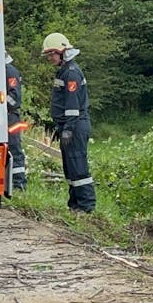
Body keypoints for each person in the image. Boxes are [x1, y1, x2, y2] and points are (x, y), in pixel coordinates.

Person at [42, 32, 96, 213]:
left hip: (76, 125)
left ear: (62, 51)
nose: (50, 58)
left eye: (52, 54)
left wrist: (68, 129)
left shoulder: (71, 73)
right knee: (70, 167)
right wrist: (62, 127)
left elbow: (72, 106)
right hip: (71, 126)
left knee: (78, 166)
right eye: (48, 55)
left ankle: (86, 206)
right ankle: (75, 205)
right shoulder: (65, 71)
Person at [4, 53, 26, 195]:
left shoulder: (10, 71)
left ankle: (18, 185)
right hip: (3, 116)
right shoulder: (1, 70)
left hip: (10, 116)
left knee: (14, 149)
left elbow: (14, 98)